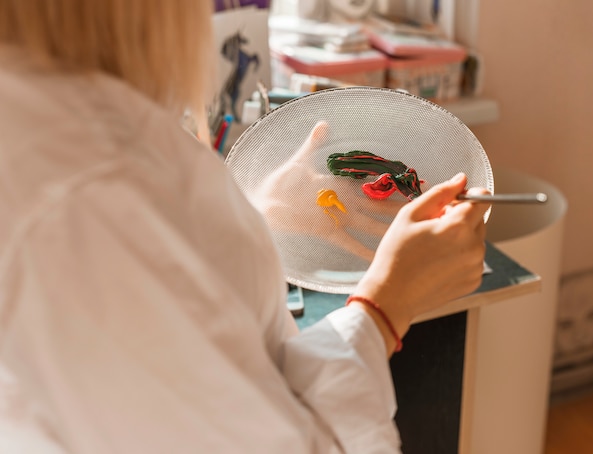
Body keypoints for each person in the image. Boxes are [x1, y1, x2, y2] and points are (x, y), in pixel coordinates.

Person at [0, 1, 489, 452]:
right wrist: (386, 305)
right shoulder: (83, 202)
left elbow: (194, 326)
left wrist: (261, 214)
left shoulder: (59, 129)